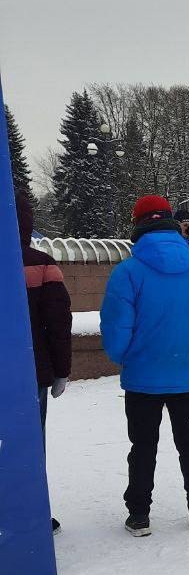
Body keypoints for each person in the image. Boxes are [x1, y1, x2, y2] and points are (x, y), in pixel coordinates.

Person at [100, 194, 189, 536]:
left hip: (142, 379)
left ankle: (139, 514)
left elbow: (115, 327)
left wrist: (127, 357)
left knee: (143, 446)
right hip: (186, 376)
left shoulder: (127, 272)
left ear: (137, 225)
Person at [16, 193, 72, 533]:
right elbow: (58, 322)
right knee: (30, 444)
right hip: (30, 372)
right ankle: (30, 511)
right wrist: (61, 370)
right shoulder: (42, 264)